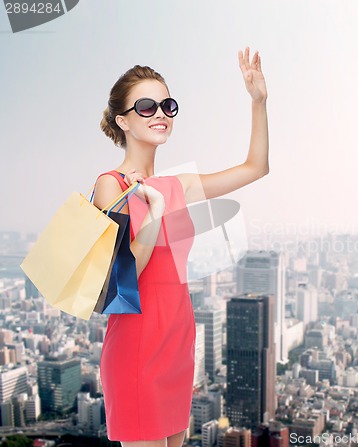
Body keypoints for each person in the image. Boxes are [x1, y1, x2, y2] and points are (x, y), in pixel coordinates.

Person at [93, 47, 269, 447]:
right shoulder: (111, 186)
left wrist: (258, 103)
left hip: (177, 342)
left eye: (167, 105)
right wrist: (152, 217)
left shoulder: (178, 185)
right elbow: (120, 279)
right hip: (136, 345)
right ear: (122, 120)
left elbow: (256, 167)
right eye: (146, 106)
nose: (160, 113)